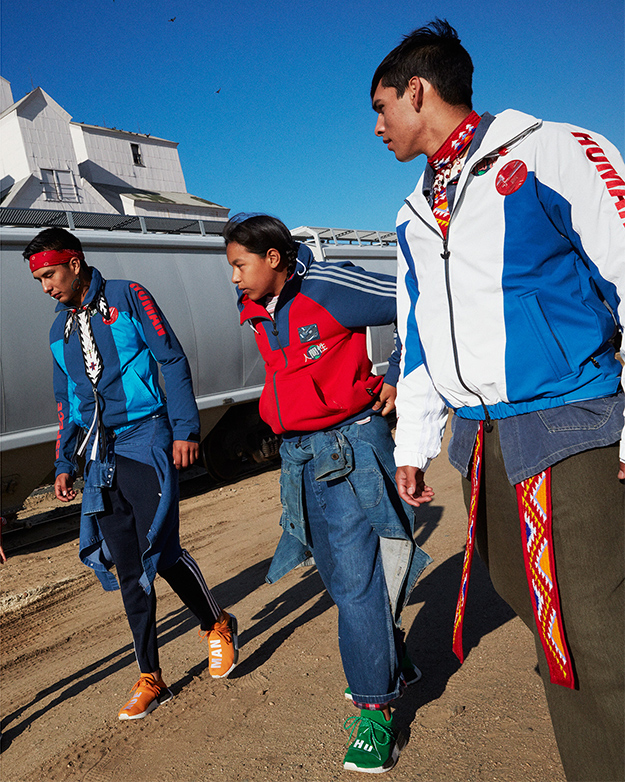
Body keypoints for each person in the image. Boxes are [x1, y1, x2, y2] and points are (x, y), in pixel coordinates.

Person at [371, 19, 624, 782]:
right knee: (536, 613)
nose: (377, 127)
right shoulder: (413, 212)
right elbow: (417, 332)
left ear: (418, 91)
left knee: (591, 633)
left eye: (381, 107)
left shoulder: (551, 150)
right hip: (478, 442)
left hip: (567, 425)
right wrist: (413, 443)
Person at [223, 213, 432, 774]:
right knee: (340, 578)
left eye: (240, 265)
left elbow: (418, 300)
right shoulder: (258, 307)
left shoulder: (329, 286)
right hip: (301, 454)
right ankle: (390, 659)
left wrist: (399, 372)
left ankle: (375, 711)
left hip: (350, 447)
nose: (234, 278)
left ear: (273, 258)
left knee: (357, 581)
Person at [26, 227, 239, 721]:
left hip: (146, 437)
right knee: (127, 567)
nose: (46, 287)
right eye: (38, 280)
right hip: (99, 453)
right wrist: (65, 462)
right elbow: (66, 401)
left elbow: (171, 358)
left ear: (74, 264)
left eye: (50, 274)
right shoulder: (58, 332)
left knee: (160, 549)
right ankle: (150, 675)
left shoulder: (129, 295)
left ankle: (217, 623)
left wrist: (186, 429)